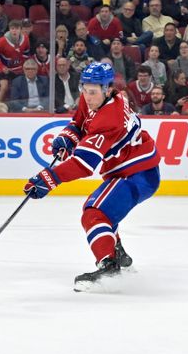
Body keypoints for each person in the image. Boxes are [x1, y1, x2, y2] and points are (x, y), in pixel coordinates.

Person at [23, 62, 160, 290]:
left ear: (107, 89)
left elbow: (84, 164)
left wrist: (50, 178)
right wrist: (67, 138)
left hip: (137, 174)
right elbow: (79, 122)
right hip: (132, 170)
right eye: (84, 89)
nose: (87, 96)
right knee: (104, 212)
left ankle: (109, 267)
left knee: (94, 214)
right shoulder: (101, 97)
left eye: (93, 92)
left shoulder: (110, 118)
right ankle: (118, 254)